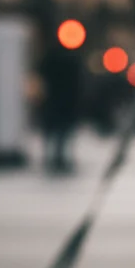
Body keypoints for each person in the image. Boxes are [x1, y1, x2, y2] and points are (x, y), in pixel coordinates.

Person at [38, 28, 85, 175]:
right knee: (63, 133)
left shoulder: (51, 57)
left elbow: (42, 74)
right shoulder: (73, 58)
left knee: (55, 132)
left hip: (55, 101)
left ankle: (54, 158)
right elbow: (79, 82)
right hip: (66, 102)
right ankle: (59, 158)